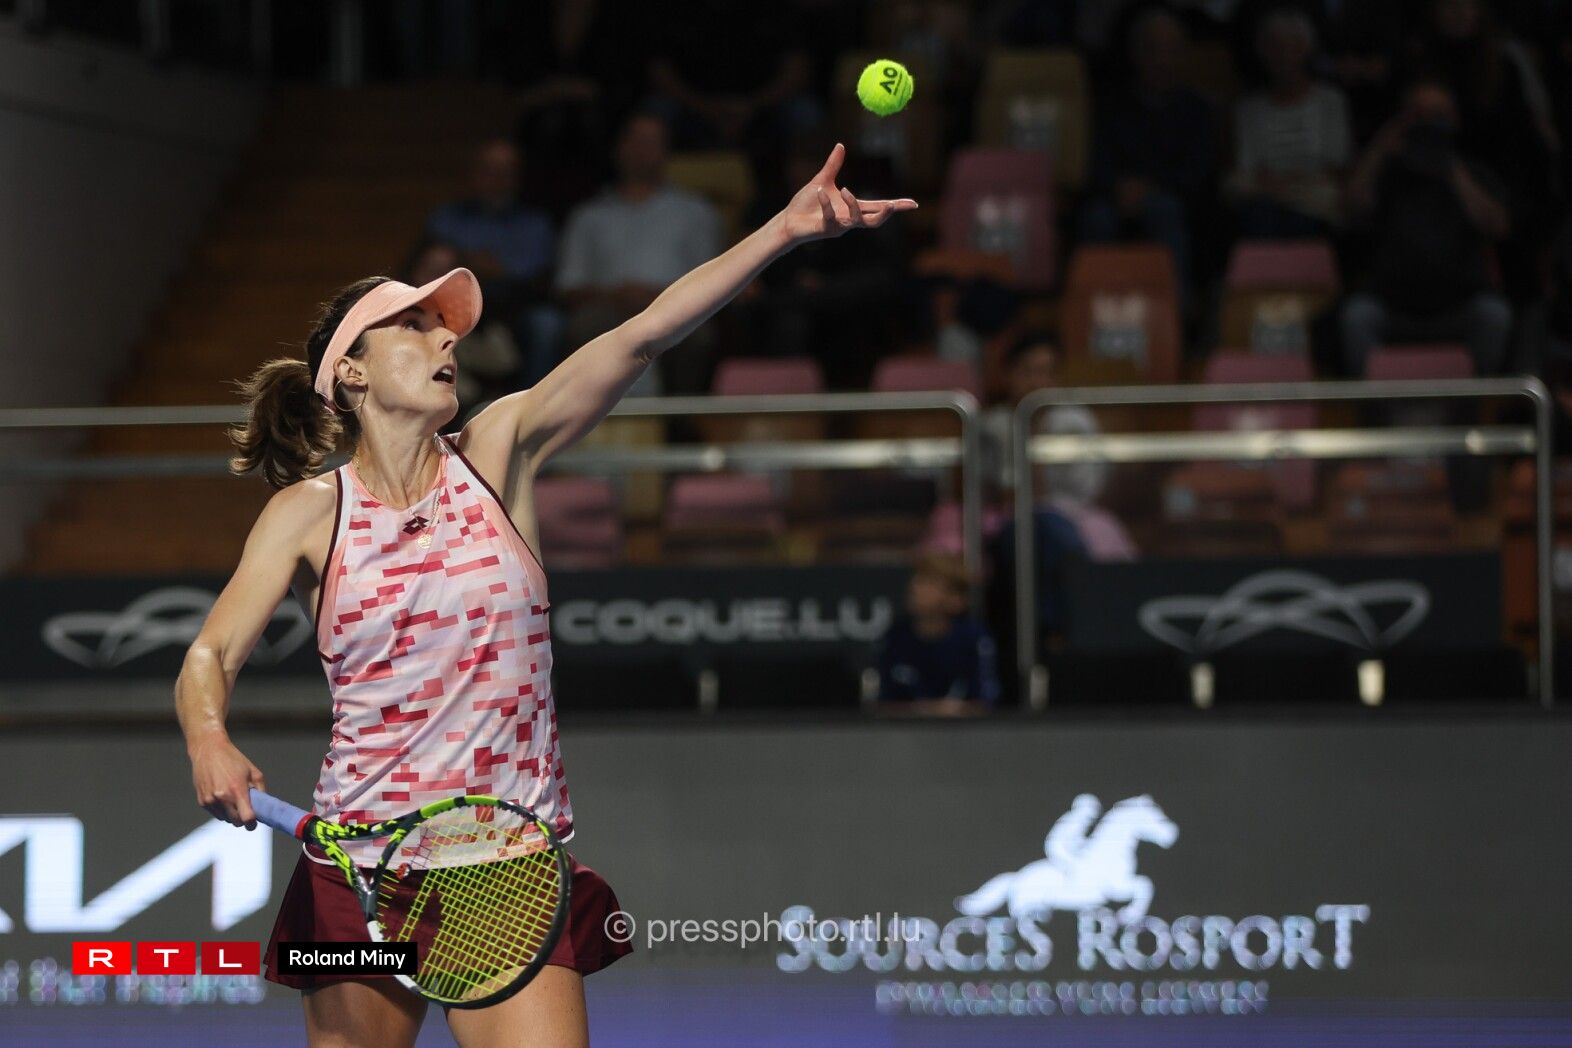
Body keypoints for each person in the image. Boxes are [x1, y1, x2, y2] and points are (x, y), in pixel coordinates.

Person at [177, 142, 916, 1047]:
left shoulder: (501, 450)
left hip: (504, 865)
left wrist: (782, 233)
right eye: (415, 326)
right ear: (353, 372)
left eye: (446, 327)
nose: (446, 338)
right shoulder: (308, 513)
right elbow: (211, 653)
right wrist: (208, 736)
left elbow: (642, 334)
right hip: (358, 872)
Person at [1339, 80, 1513, 377]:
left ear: (1455, 120)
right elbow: (1350, 207)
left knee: (1494, 315)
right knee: (1357, 317)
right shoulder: (1388, 172)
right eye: (1418, 115)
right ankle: (1376, 403)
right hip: (1392, 305)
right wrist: (1380, 149)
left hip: (1459, 304)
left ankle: (1471, 401)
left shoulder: (1473, 172)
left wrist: (1453, 171)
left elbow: (1499, 227)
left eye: (1438, 116)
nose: (1429, 124)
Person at [553, 111, 724, 396]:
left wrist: (656, 298)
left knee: (698, 337)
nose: (642, 150)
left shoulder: (696, 212)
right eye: (635, 140)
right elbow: (568, 287)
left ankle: (680, 420)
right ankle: (586, 419)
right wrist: (616, 296)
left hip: (677, 312)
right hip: (606, 310)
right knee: (582, 327)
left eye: (651, 142)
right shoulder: (588, 215)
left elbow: (713, 283)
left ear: (666, 151)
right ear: (618, 148)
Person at [1080, 4, 1216, 302]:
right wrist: (1119, 188)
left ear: (1183, 54)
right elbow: (1096, 166)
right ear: (1135, 53)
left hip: (1173, 200)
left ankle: (1176, 309)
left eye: (1171, 50)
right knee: (1097, 218)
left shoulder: (1197, 110)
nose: (1161, 60)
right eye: (1152, 49)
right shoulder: (1111, 106)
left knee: (1165, 211)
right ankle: (1092, 307)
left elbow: (1197, 174)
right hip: (1114, 198)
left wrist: (1150, 187)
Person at [424, 138, 561, 388]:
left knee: (546, 323)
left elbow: (537, 275)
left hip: (514, 306)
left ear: (517, 177)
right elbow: (429, 266)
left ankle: (534, 403)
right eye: (489, 170)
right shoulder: (447, 218)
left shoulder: (534, 223)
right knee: (423, 319)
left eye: (505, 171)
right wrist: (475, 265)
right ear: (473, 173)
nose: (497, 178)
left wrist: (484, 267)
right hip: (455, 305)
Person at [1228, 6, 1352, 238]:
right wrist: (1277, 187)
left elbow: (1335, 166)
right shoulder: (1249, 108)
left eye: (1293, 46)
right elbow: (1249, 168)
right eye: (1275, 47)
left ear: (1307, 49)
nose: (1284, 55)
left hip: (1315, 201)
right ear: (1262, 52)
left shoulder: (1330, 101)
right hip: (1264, 200)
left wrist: (1291, 184)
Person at [875, 550, 1001, 714]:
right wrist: (924, 710)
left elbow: (986, 702)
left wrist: (952, 711)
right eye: (916, 580)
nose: (914, 587)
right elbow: (883, 705)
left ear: (956, 599)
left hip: (963, 729)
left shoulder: (973, 638)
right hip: (905, 729)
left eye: (928, 583)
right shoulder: (895, 637)